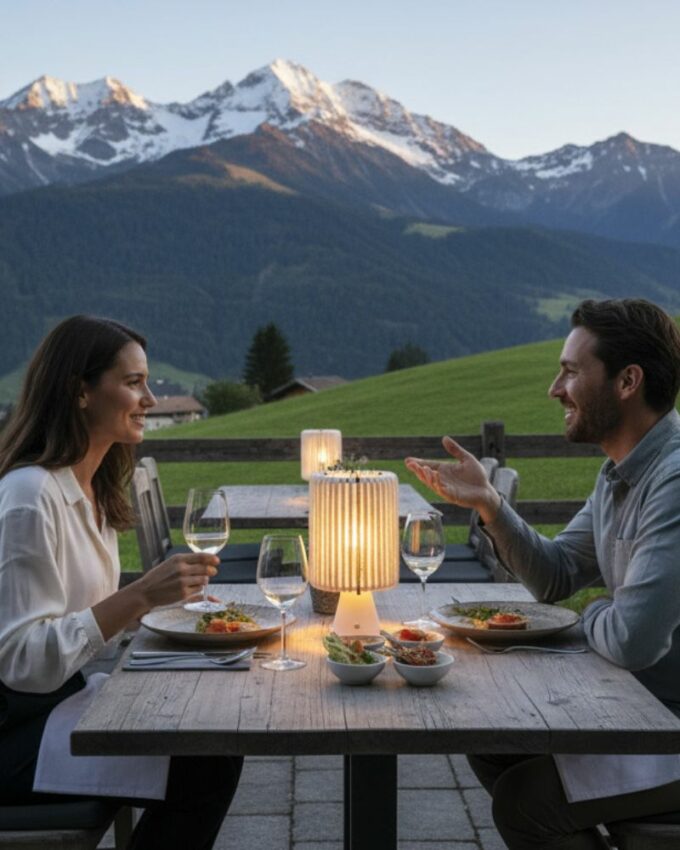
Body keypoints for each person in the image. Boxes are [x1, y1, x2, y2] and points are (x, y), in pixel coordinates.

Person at [406, 298, 680, 849]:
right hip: (639, 711)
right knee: (492, 743)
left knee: (525, 803)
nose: (555, 389)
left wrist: (595, 610)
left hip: (667, 729)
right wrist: (491, 507)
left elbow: (632, 639)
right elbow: (555, 576)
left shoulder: (673, 481)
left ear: (628, 381)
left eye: (572, 372)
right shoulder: (617, 475)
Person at [0, 315, 243, 850]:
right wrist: (140, 597)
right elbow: (19, 661)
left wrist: (167, 611)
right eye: (133, 383)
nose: (151, 399)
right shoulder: (29, 496)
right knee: (206, 766)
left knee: (213, 734)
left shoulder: (94, 493)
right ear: (80, 392)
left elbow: (87, 624)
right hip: (17, 733)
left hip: (62, 702)